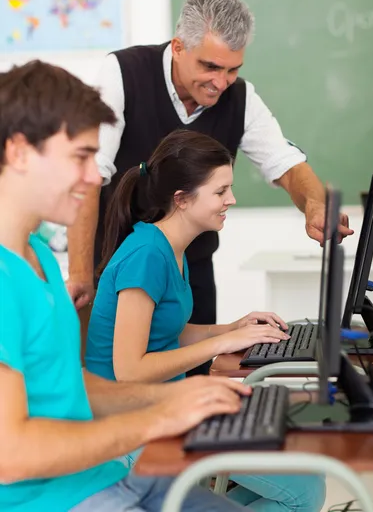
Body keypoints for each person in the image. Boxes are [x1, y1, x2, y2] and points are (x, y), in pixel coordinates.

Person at [0, 60, 255, 512]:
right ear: (19, 152)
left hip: (103, 476)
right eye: (79, 157)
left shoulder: (35, 254)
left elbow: (73, 386)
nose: (97, 176)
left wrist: (177, 396)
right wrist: (155, 419)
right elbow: (10, 455)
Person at [66, 0, 353, 376]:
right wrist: (81, 273)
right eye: (211, 67)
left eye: (233, 70)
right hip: (120, 259)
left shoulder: (241, 97)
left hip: (186, 259)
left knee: (195, 373)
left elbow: (287, 165)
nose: (222, 82)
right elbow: (89, 176)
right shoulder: (123, 73)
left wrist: (315, 206)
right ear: (179, 46)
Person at [85, 129, 326, 512]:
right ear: (182, 199)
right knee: (304, 493)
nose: (231, 200)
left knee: (306, 483)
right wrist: (217, 345)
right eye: (220, 191)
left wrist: (231, 328)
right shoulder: (146, 255)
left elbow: (166, 334)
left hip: (166, 407)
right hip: (133, 427)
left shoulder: (168, 248)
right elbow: (128, 369)